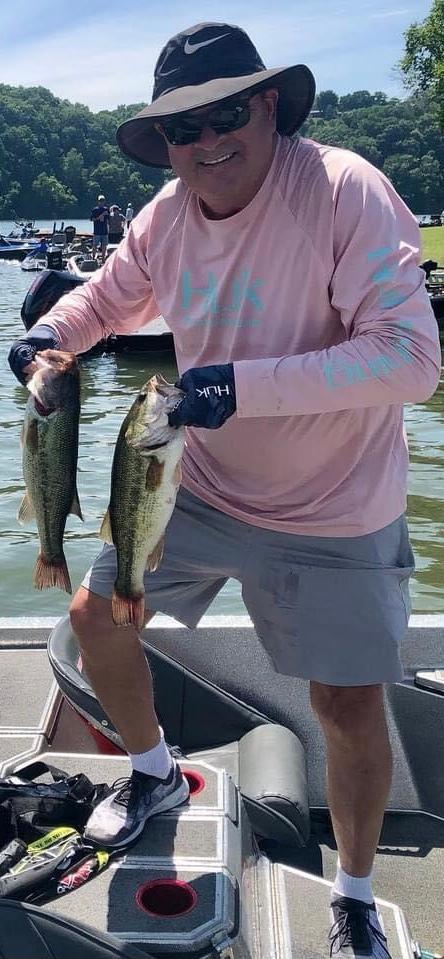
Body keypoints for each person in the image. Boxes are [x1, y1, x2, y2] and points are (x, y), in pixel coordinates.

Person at [8, 22, 441, 958]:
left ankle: (355, 895)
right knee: (94, 616)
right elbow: (109, 297)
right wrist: (53, 338)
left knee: (347, 704)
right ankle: (154, 770)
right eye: (182, 127)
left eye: (227, 113)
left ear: (270, 106)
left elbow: (412, 359)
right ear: (164, 142)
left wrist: (239, 387)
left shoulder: (344, 190)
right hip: (193, 480)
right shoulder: (166, 216)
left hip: (336, 506)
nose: (207, 140)